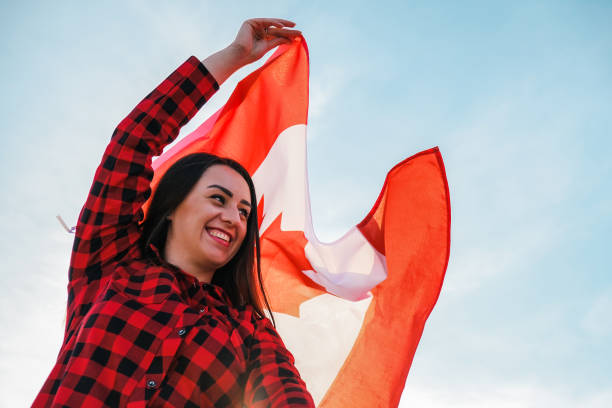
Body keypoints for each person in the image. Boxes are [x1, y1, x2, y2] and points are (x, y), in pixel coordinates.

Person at [33, 18, 315, 407]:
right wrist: (234, 57)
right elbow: (133, 141)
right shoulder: (110, 260)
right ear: (172, 207)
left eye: (244, 211)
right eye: (218, 199)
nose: (234, 218)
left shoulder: (251, 333)